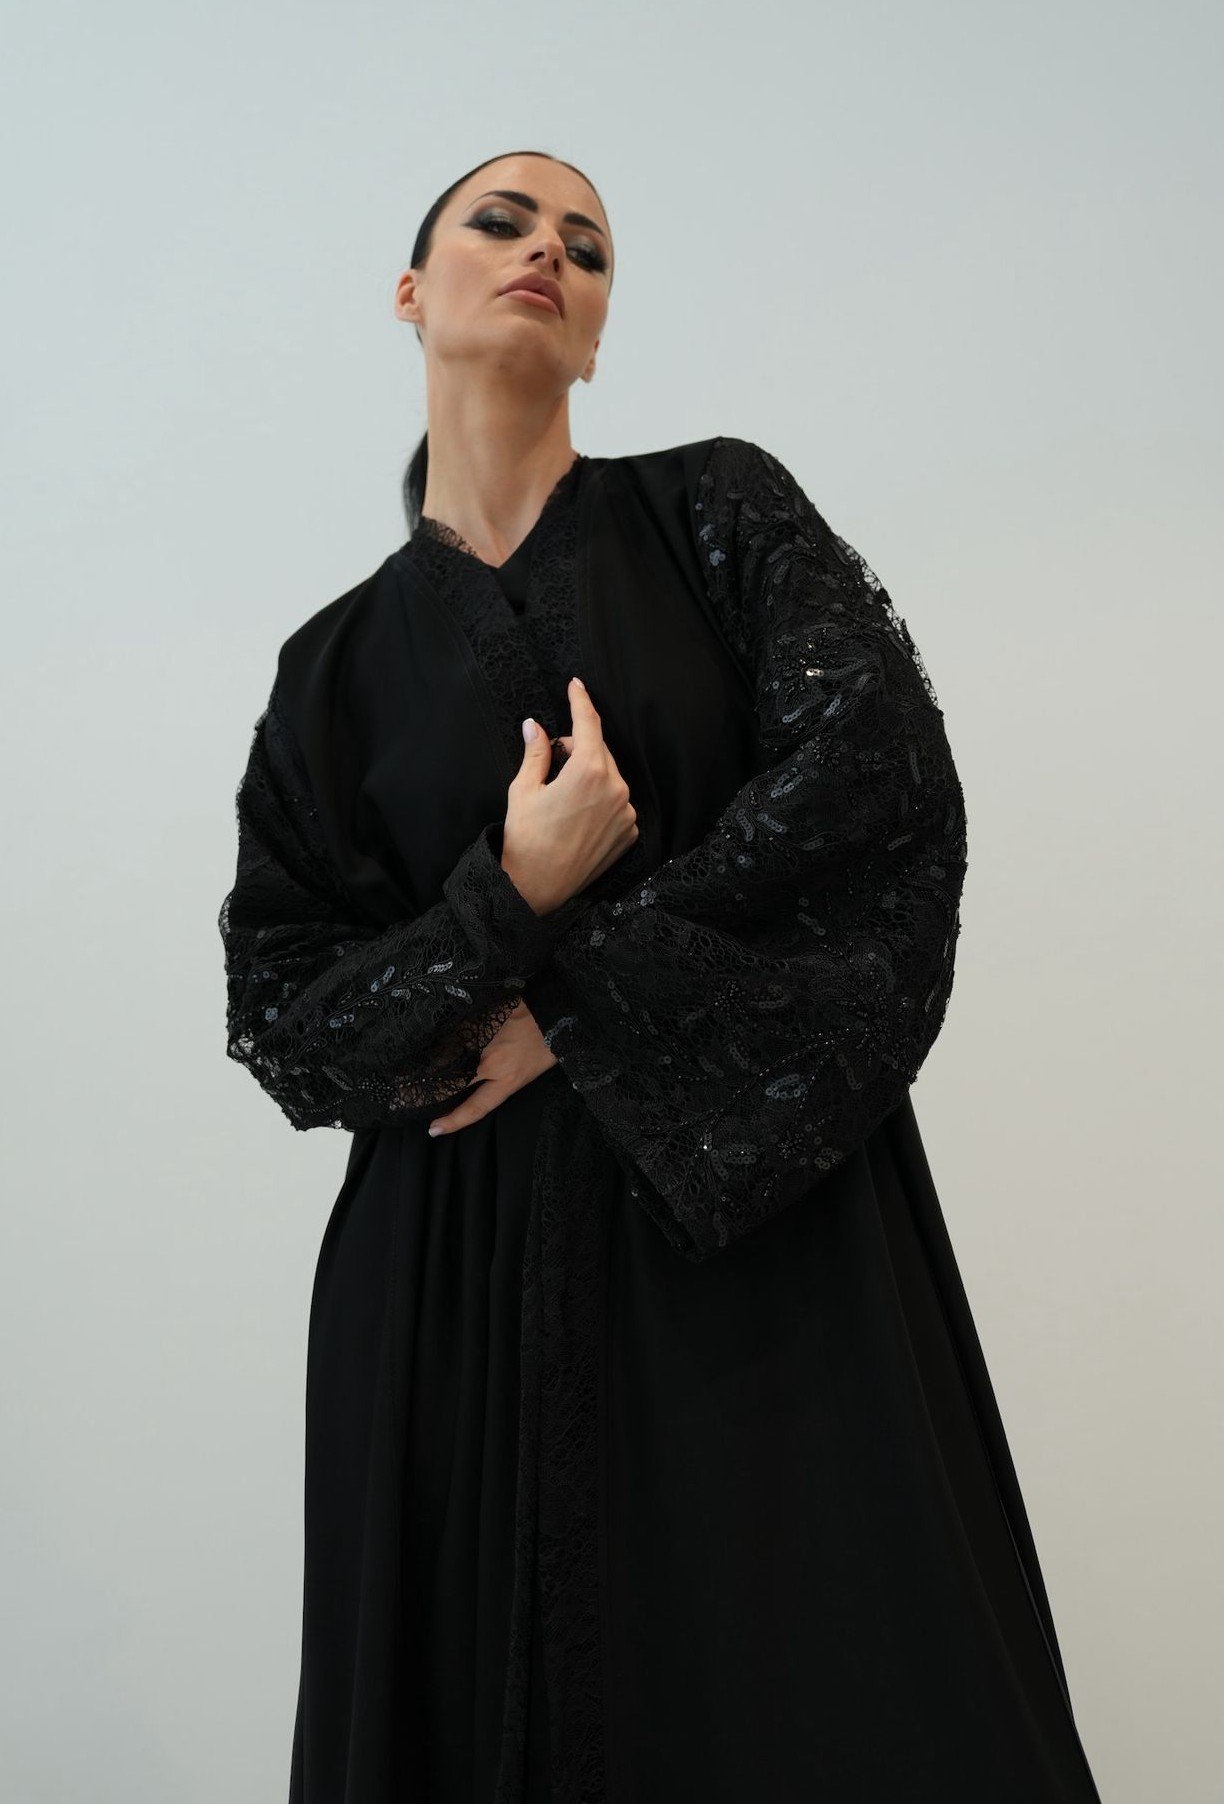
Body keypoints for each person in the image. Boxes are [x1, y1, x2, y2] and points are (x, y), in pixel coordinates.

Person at [218, 149, 1105, 1803]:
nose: (546, 252)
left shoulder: (714, 515)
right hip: (450, 1278)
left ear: (601, 332)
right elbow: (285, 1023)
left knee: (827, 1684)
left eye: (589, 247)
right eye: (500, 223)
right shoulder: (329, 668)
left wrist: (570, 1002)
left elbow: (877, 781)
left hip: (756, 1242)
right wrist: (511, 894)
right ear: (410, 292)